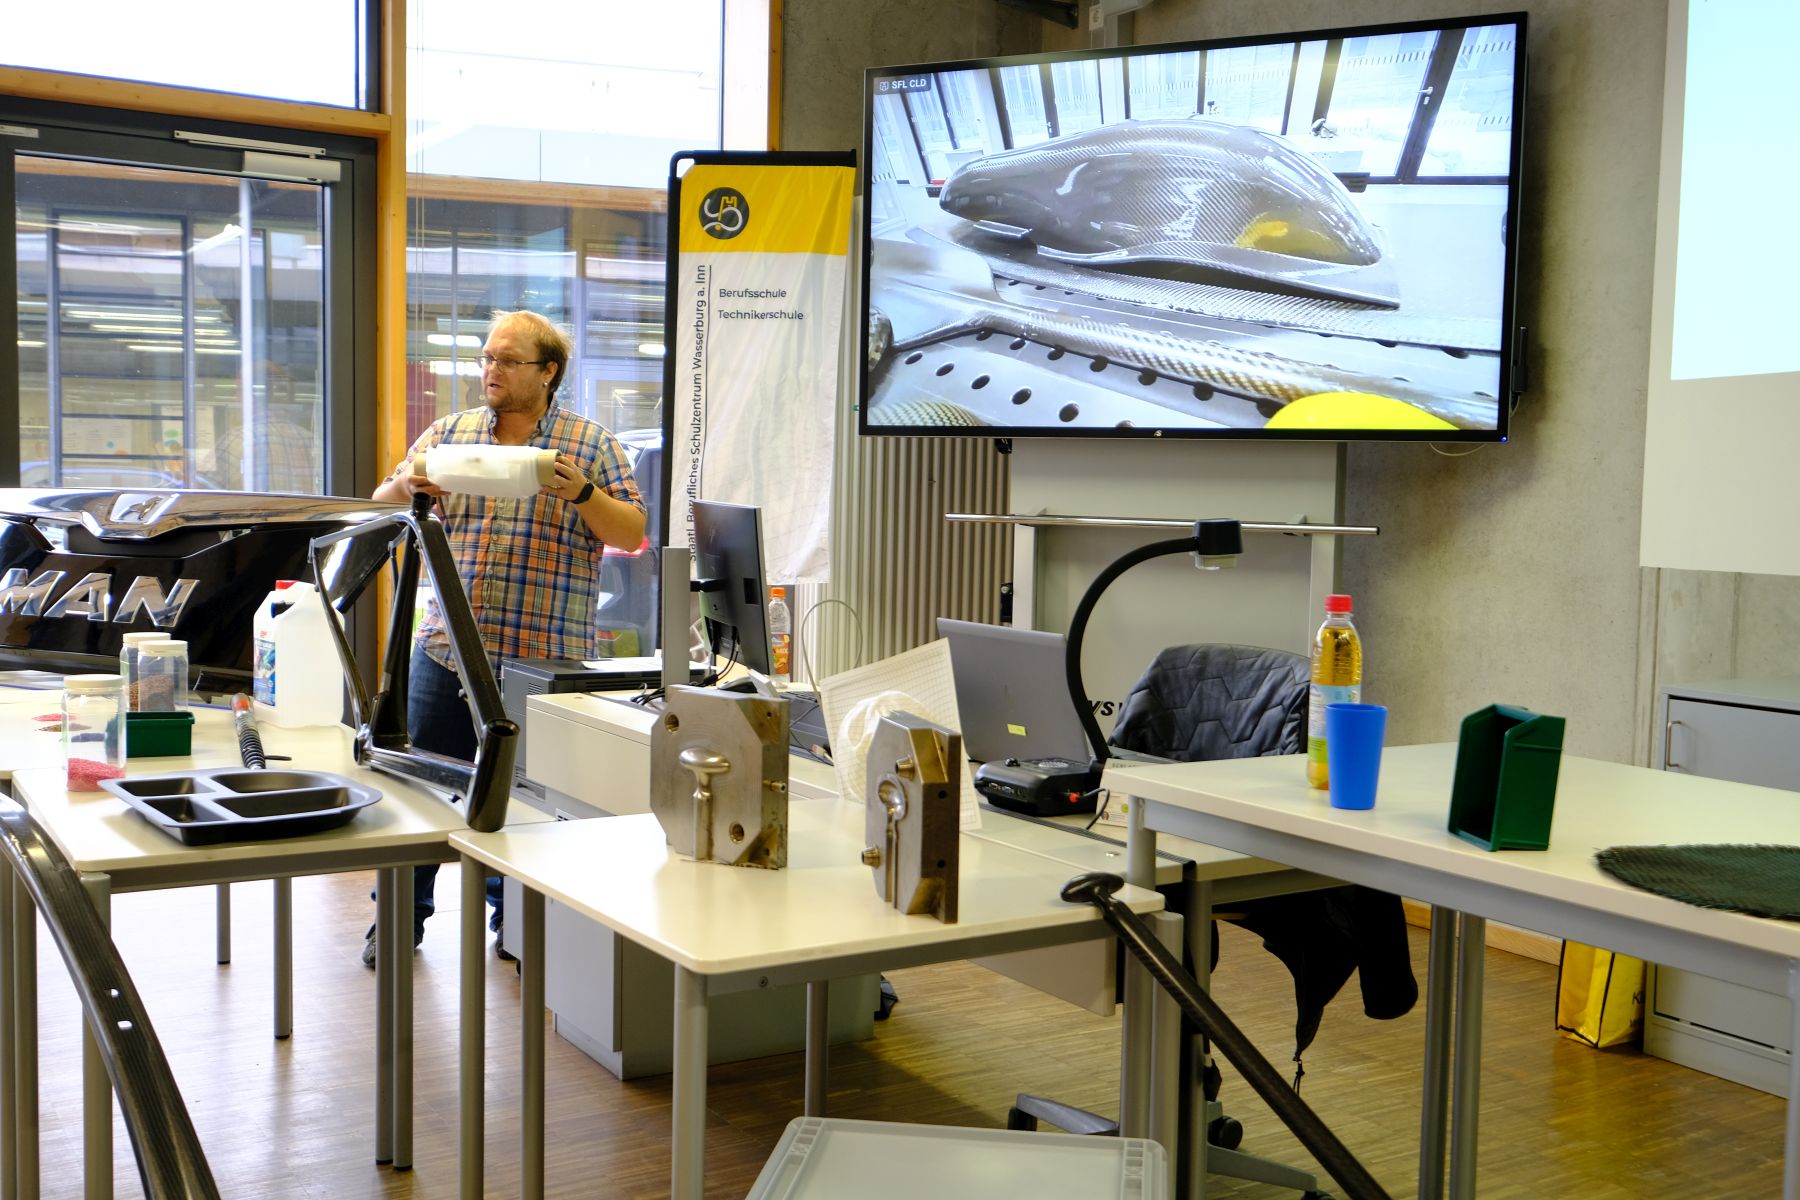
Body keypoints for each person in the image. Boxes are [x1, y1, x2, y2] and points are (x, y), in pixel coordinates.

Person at [365, 309, 646, 966]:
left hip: (542, 663)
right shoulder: (450, 434)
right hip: (446, 650)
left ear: (548, 372)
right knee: (420, 794)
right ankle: (400, 919)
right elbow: (381, 503)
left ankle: (514, 925)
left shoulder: (590, 445)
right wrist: (408, 484)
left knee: (526, 806)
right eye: (487, 357)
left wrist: (583, 494)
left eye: (507, 360)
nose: (490, 370)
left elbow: (632, 533)